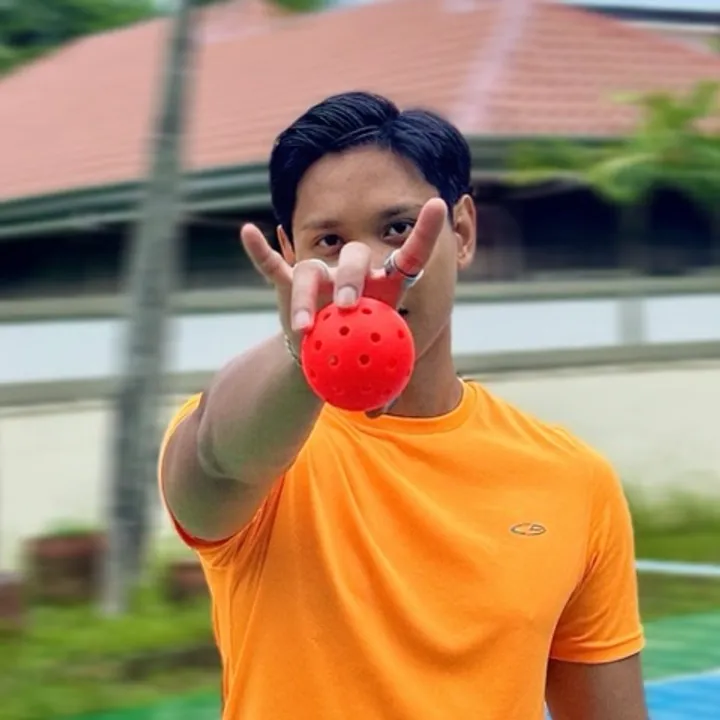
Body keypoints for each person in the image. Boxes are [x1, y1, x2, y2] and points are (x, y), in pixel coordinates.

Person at [159, 91, 648, 720]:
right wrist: (302, 351)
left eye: (396, 228)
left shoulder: (575, 480)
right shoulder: (263, 449)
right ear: (290, 255)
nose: (365, 269)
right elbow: (216, 460)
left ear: (462, 232)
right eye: (329, 240)